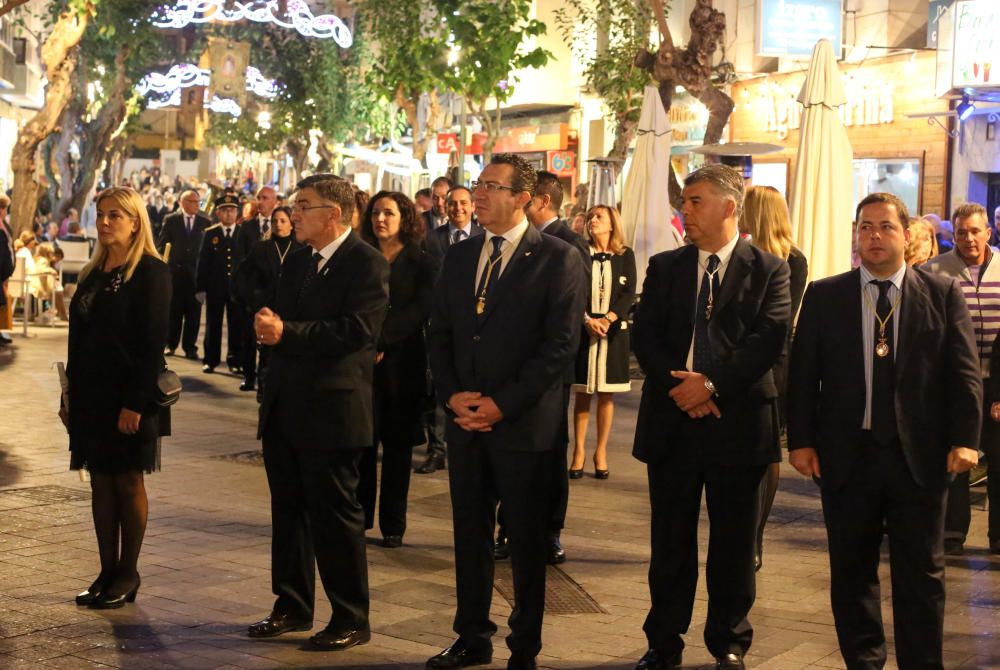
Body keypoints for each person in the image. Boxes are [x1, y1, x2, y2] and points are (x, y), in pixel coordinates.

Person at [787, 192, 981, 670]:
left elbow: (964, 373)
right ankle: (864, 662)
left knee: (923, 576)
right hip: (847, 457)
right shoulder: (826, 295)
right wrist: (802, 440)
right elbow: (803, 373)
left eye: (886, 227)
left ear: (907, 234)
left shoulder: (940, 293)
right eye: (866, 227)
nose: (874, 236)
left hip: (920, 458)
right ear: (856, 234)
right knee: (851, 573)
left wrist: (966, 439)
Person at [425, 154, 586, 670]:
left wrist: (500, 403)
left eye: (493, 187)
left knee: (524, 540)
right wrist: (453, 396)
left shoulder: (557, 257)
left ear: (524, 198)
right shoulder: (460, 253)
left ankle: (525, 645)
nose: (480, 194)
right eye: (479, 185)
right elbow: (441, 332)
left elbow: (558, 348)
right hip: (466, 422)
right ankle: (471, 635)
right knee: (469, 536)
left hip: (523, 426)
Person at [631, 164, 790, 670]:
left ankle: (729, 641)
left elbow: (768, 339)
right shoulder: (665, 266)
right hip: (673, 421)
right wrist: (682, 388)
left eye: (696, 200)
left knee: (734, 543)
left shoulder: (770, 268)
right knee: (670, 541)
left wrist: (712, 384)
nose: (686, 209)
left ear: (729, 206)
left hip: (739, 423)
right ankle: (663, 641)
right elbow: (645, 335)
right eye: (685, 200)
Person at [248, 174, 389, 652]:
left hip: (333, 411)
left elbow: (356, 332)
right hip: (287, 405)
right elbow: (283, 319)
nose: (294, 212)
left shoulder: (365, 263)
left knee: (335, 518)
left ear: (333, 213)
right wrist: (268, 327)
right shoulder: (298, 262)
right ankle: (291, 604)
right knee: (288, 513)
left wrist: (286, 331)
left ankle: (350, 615)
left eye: (303, 205)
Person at [60, 187, 171, 610]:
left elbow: (151, 343)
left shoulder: (151, 272)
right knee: (100, 482)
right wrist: (69, 396)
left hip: (130, 395)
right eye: (101, 215)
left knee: (127, 479)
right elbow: (78, 340)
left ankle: (129, 571)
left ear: (135, 221)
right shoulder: (93, 271)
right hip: (91, 395)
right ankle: (106, 570)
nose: (105, 223)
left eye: (115, 216)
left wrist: (136, 404)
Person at [495, 171, 590, 565]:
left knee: (551, 451)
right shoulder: (508, 244)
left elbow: (570, 316)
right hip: (510, 371)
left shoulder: (568, 245)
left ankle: (549, 530)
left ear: (542, 201)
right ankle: (509, 527)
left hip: (550, 372)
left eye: (528, 201)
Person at [357, 191, 438, 547]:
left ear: (404, 217)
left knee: (398, 447)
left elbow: (419, 310)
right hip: (363, 361)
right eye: (376, 213)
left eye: (388, 213)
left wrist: (382, 342)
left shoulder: (421, 261)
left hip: (403, 362)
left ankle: (394, 523)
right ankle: (359, 517)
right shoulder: (360, 257)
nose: (381, 220)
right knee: (361, 442)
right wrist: (366, 343)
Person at [922, 202, 1000, 555]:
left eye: (975, 231)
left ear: (988, 231)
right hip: (953, 381)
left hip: (996, 380)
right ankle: (952, 530)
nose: (969, 238)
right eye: (962, 232)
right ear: (953, 234)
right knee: (955, 455)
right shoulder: (933, 271)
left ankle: (998, 535)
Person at [739, 185, 809, 571]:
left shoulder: (790, 260)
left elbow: (779, 320)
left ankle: (755, 537)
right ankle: (743, 532)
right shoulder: (742, 255)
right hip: (744, 360)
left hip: (775, 362)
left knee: (767, 448)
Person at [417, 185, 483, 476]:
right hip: (438, 323)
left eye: (463, 203)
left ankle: (466, 445)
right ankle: (437, 449)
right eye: (452, 203)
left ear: (472, 206)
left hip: (473, 327)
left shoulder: (484, 237)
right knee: (437, 387)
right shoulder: (432, 239)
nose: (457, 208)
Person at [571, 205, 636, 480]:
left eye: (599, 217)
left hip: (613, 332)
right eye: (590, 217)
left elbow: (628, 291)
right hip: (586, 329)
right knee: (583, 392)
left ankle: (600, 451)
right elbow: (574, 288)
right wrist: (587, 320)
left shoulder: (625, 254)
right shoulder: (580, 253)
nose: (592, 221)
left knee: (606, 394)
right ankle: (578, 453)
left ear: (612, 224)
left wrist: (608, 319)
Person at [232, 205, 302, 397]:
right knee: (264, 352)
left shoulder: (301, 248)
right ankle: (262, 390)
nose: (278, 225)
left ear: (291, 224)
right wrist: (253, 301)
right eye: (275, 221)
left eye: (283, 221)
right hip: (263, 307)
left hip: (289, 311)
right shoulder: (261, 247)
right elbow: (244, 277)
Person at [158, 190, 210, 359]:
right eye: (193, 201)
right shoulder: (171, 220)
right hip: (175, 275)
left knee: (194, 314)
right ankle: (170, 344)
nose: (197, 205)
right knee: (174, 312)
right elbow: (163, 245)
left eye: (198, 201)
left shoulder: (205, 222)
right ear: (183, 202)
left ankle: (190, 347)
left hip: (196, 276)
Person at [197, 193, 242, 375]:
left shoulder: (242, 233)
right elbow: (203, 262)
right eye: (225, 210)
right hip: (215, 288)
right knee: (213, 325)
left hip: (237, 289)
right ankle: (210, 360)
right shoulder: (211, 234)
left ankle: (235, 361)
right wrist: (200, 288)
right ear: (218, 213)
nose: (229, 214)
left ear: (237, 213)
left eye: (232, 210)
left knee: (236, 325)